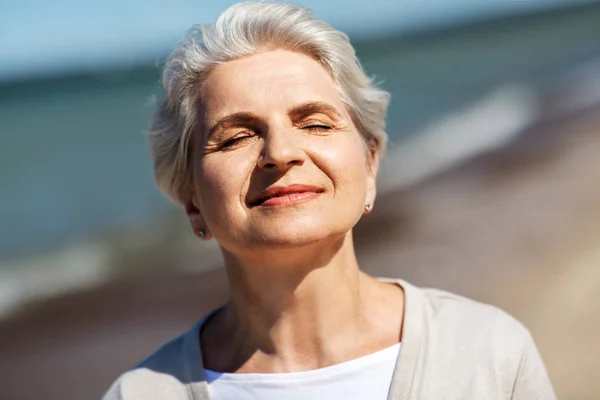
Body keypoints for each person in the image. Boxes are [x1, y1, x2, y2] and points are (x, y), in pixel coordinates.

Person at [104, 2, 556, 399]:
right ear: (193, 203)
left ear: (370, 165)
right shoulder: (140, 393)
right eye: (237, 136)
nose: (281, 153)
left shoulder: (488, 354)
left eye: (316, 124)